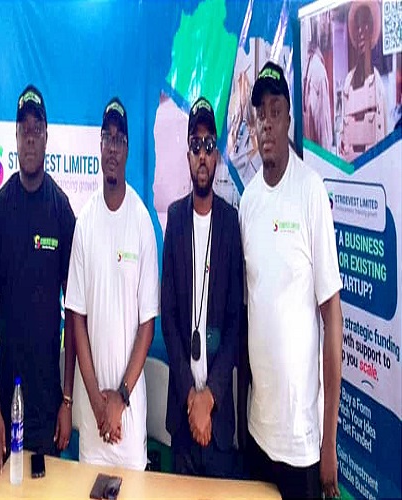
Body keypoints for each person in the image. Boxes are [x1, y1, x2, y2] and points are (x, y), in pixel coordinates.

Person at [239, 61, 343, 499]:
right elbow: (252, 311)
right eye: (260, 113)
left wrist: (329, 441)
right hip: (258, 430)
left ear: (288, 121)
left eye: (275, 111)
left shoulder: (310, 192)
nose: (267, 122)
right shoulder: (248, 202)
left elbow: (332, 319)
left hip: (302, 443)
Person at [0, 84, 76, 476]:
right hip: (8, 404)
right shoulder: (0, 210)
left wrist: (67, 401)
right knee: (11, 492)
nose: (31, 137)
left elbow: (75, 313)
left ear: (47, 136)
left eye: (38, 129)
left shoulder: (61, 210)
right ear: (16, 137)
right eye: (25, 130)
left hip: (48, 407)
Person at [65, 97, 159, 470]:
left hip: (128, 416)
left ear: (128, 148)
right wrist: (96, 401)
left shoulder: (141, 222)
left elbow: (147, 325)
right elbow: (76, 317)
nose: (113, 148)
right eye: (108, 138)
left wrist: (119, 398)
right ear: (100, 145)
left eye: (120, 140)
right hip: (93, 417)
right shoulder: (85, 222)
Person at [161, 96, 244, 478]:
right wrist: (191, 399)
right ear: (188, 155)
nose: (203, 155)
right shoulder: (176, 219)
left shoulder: (230, 223)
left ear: (217, 155)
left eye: (209, 145)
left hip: (219, 418)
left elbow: (235, 322)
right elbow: (169, 317)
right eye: (196, 145)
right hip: (182, 418)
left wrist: (209, 398)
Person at [339, 1, 386, 161]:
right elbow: (342, 135)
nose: (360, 32)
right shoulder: (348, 83)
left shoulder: (378, 86)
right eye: (357, 26)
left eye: (365, 25)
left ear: (372, 30)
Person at [303, 12, 333, 150]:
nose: (328, 23)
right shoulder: (318, 71)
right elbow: (324, 138)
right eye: (325, 17)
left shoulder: (308, 66)